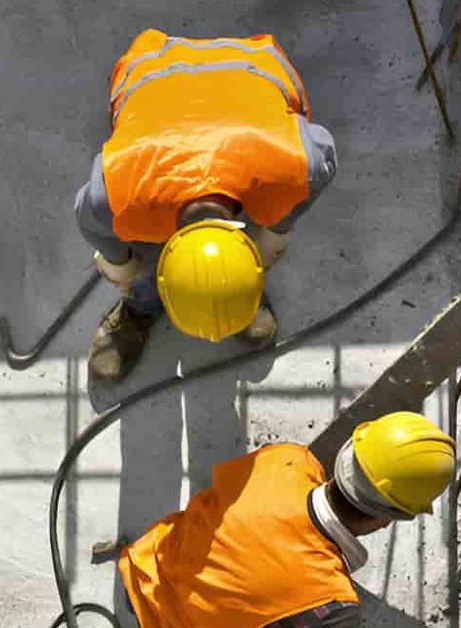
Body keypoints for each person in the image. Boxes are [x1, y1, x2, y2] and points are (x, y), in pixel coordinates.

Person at [117, 411, 454, 628]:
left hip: (144, 578)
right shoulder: (329, 609)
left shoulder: (286, 461)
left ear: (346, 454)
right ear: (389, 518)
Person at [74, 29, 339, 384]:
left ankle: (231, 291)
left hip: (255, 63)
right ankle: (142, 304)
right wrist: (125, 271)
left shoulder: (296, 167)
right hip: (153, 65)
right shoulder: (115, 198)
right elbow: (91, 222)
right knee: (137, 276)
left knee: (276, 206)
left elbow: (321, 154)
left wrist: (277, 230)